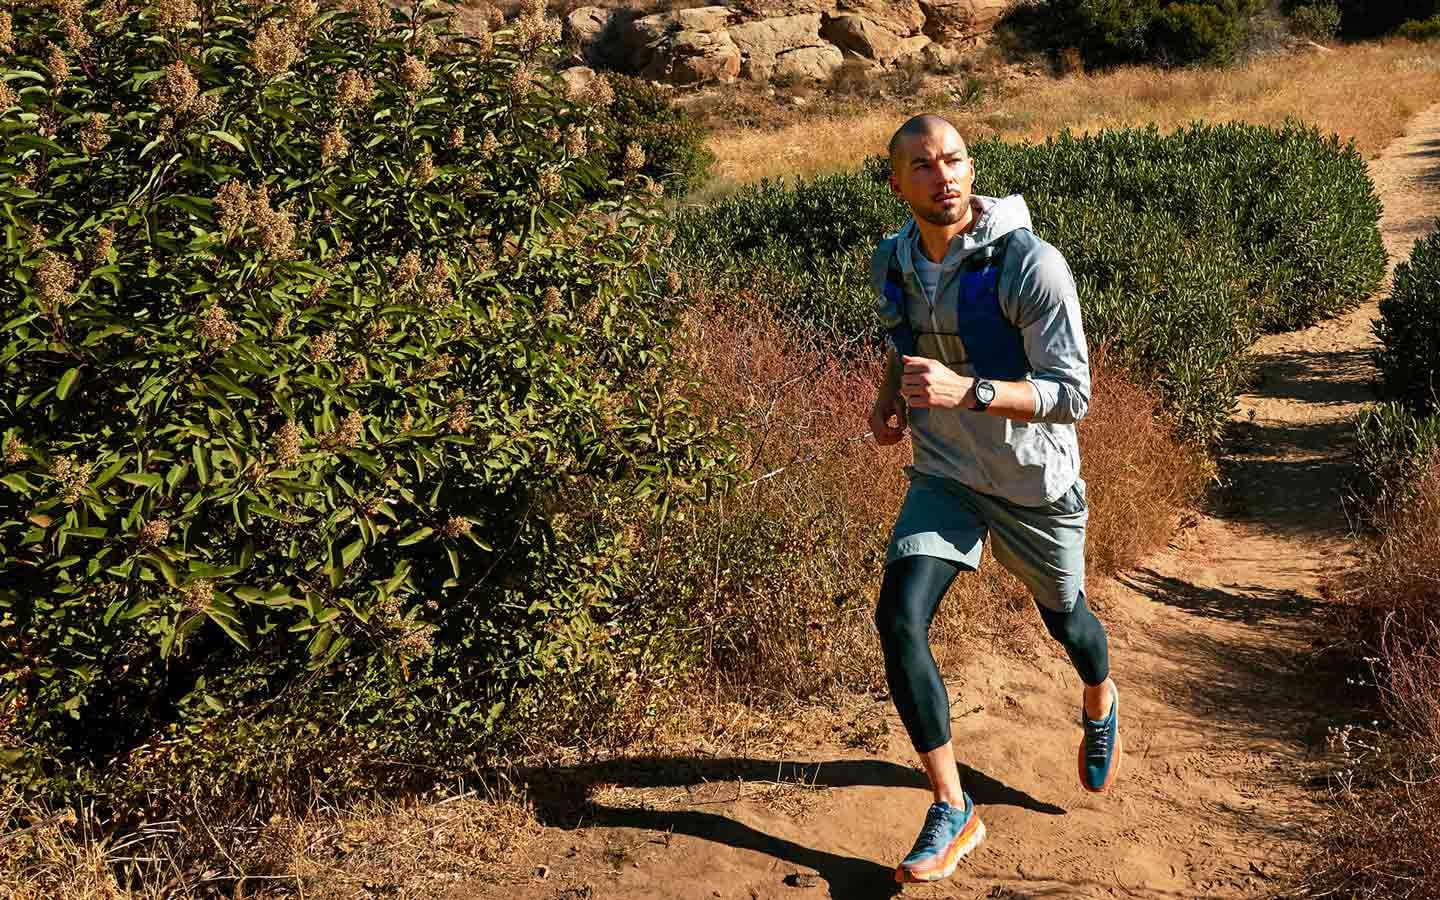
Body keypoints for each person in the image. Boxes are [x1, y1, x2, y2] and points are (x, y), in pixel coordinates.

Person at [868, 114, 1121, 885]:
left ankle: (1101, 699)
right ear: (897, 182)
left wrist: (966, 391)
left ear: (972, 169)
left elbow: (1072, 394)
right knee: (897, 615)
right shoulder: (896, 260)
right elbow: (902, 340)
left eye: (953, 160)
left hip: (1032, 484)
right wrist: (888, 401)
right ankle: (953, 804)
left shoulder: (1031, 265)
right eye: (922, 165)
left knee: (1068, 623)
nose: (942, 176)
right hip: (944, 472)